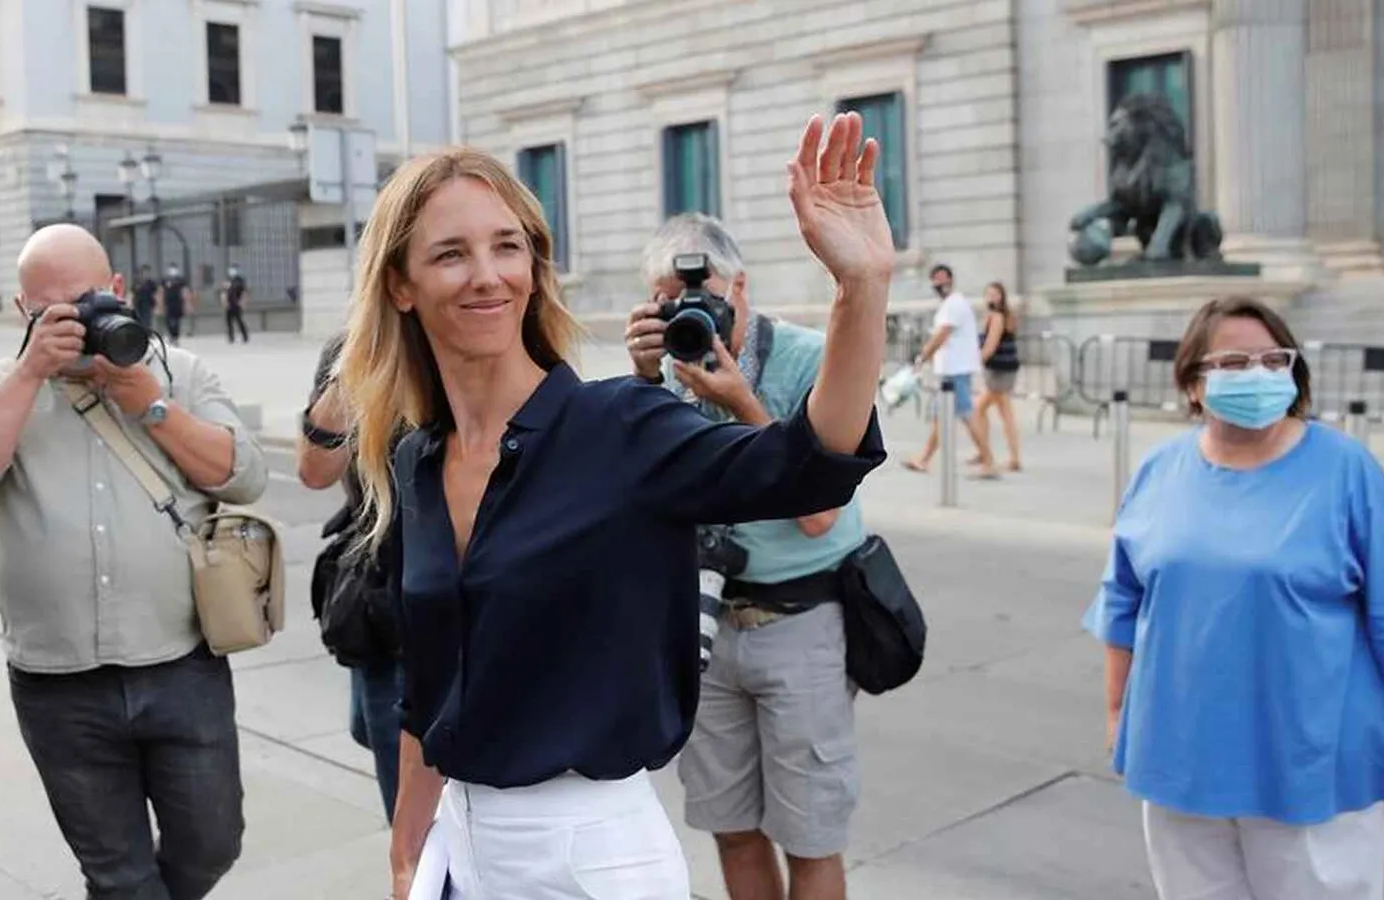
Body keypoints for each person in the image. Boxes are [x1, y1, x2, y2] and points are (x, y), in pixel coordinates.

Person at [333, 112, 892, 900]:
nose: (487, 275)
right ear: (400, 284)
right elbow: (427, 692)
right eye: (451, 253)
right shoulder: (415, 463)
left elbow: (811, 464)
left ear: (534, 267)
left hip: (592, 857)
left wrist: (861, 288)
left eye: (507, 246)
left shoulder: (620, 429)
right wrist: (405, 859)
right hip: (458, 851)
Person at [0, 224, 268, 900]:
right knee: (118, 877)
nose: (77, 323)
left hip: (181, 663)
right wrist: (30, 372)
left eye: (87, 300)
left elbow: (245, 476)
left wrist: (151, 404)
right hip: (59, 683)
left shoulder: (180, 372)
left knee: (213, 843)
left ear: (117, 289)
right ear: (24, 312)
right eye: (52, 310)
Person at [1083, 296, 1384, 900]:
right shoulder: (1159, 471)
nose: (1256, 375)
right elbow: (1123, 603)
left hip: (1312, 754)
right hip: (1182, 749)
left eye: (1272, 359)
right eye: (1233, 363)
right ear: (1194, 383)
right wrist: (1116, 713)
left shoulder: (1345, 470)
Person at [624, 212, 865, 900]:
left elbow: (820, 513)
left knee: (811, 837)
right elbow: (635, 491)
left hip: (799, 623)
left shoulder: (810, 360)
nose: (690, 315)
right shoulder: (666, 370)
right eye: (669, 303)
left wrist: (741, 403)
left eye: (702, 298)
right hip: (701, 626)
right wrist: (643, 382)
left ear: (742, 288)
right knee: (731, 829)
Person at [296, 331, 409, 821]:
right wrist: (355, 368)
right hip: (380, 586)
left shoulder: (491, 330)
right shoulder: (352, 347)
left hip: (456, 596)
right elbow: (315, 470)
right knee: (369, 728)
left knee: (408, 769)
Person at [904, 264, 991, 477]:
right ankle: (924, 459)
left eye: (943, 278)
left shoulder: (954, 304)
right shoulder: (950, 304)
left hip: (956, 370)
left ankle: (988, 460)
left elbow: (941, 335)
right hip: (950, 370)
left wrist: (922, 357)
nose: (939, 283)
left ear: (951, 280)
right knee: (940, 418)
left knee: (967, 415)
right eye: (935, 279)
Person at [972, 281, 1022, 473]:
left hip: (999, 372)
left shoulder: (997, 317)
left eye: (995, 294)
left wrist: (975, 363)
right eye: (989, 294)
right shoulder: (1003, 316)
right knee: (1004, 413)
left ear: (1002, 297)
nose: (991, 297)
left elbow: (990, 345)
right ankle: (1008, 456)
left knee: (978, 410)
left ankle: (986, 453)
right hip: (1004, 370)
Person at [160, 263, 192, 345]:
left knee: (177, 320)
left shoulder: (180, 280)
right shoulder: (165, 279)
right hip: (168, 303)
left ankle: (175, 337)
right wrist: (161, 304)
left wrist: (187, 303)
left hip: (178, 302)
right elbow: (161, 291)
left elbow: (184, 291)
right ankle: (171, 334)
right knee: (168, 320)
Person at [222, 264, 251, 343]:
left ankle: (245, 336)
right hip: (229, 303)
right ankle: (231, 337)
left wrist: (243, 302)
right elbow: (224, 292)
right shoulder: (228, 280)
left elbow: (244, 292)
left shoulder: (240, 281)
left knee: (239, 320)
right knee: (229, 321)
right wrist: (224, 302)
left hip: (237, 303)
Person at [131, 264, 159, 330]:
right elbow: (133, 289)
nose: (146, 274)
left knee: (147, 318)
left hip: (148, 302)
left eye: (148, 272)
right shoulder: (138, 281)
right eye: (145, 272)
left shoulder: (151, 282)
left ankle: (146, 330)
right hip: (139, 302)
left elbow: (155, 290)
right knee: (139, 317)